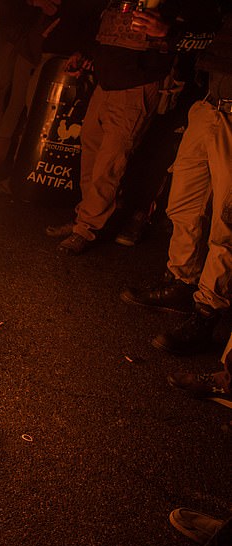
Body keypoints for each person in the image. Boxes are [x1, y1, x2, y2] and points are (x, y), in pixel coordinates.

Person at [121, 7, 232, 355]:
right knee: (185, 204)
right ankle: (181, 284)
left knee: (226, 224)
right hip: (209, 106)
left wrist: (172, 33)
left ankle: (208, 312)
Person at [51, 0, 188, 255]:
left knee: (110, 162)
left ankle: (87, 228)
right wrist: (87, 54)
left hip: (136, 85)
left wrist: (169, 32)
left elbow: (193, 32)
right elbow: (108, 31)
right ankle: (84, 216)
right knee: (91, 153)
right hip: (106, 83)